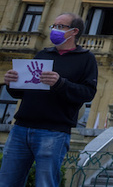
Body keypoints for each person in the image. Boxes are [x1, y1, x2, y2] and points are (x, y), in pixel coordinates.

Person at [0, 12, 98, 187]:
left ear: (74, 31)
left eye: (60, 26)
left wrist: (60, 83)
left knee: (46, 183)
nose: (55, 30)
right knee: (7, 181)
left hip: (53, 132)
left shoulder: (86, 59)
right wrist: (11, 83)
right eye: (54, 26)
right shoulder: (43, 54)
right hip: (21, 128)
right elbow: (21, 93)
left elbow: (87, 93)